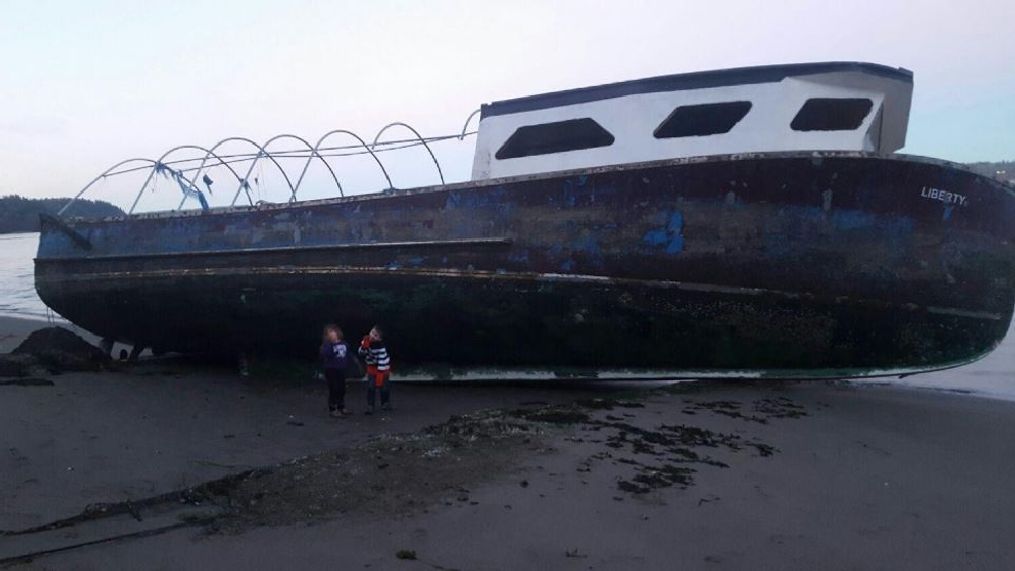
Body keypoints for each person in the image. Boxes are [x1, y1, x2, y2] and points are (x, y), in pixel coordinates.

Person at [359, 325, 391, 415]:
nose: (372, 336)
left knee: (384, 387)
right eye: (372, 333)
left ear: (380, 339)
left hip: (383, 368)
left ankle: (385, 402)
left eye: (376, 335)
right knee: (370, 387)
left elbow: (382, 360)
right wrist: (364, 347)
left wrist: (380, 374)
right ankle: (370, 405)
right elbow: (361, 353)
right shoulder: (366, 341)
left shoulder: (381, 348)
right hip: (371, 366)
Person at [320, 324, 350, 417]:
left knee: (342, 388)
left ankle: (341, 406)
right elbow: (325, 354)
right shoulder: (327, 345)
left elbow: (347, 354)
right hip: (331, 369)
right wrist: (331, 344)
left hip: (341, 369)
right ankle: (333, 408)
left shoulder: (344, 344)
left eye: (334, 332)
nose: (333, 334)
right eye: (330, 333)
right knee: (334, 388)